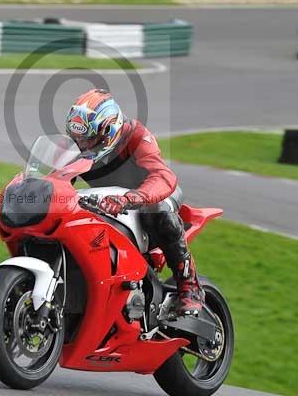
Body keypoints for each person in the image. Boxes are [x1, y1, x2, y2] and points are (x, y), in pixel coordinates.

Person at [66, 88, 204, 316]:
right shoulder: (78, 147)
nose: (81, 144)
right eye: (77, 138)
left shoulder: (136, 136)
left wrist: (132, 198)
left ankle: (190, 287)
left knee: (158, 212)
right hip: (109, 202)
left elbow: (164, 176)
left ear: (107, 131)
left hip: (153, 196)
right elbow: (57, 178)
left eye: (87, 138)